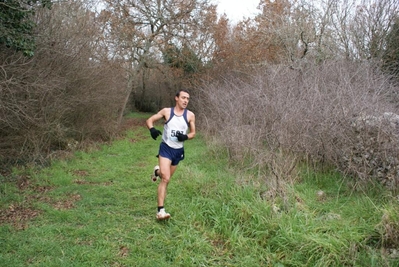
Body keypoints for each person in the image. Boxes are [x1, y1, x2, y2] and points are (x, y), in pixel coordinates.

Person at [146, 89, 196, 220]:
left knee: (165, 177)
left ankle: (156, 172)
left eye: (188, 99)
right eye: (183, 98)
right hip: (166, 148)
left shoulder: (190, 115)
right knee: (166, 179)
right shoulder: (166, 112)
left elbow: (193, 133)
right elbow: (150, 120)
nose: (186, 100)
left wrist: (185, 136)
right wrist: (151, 129)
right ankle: (160, 211)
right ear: (176, 98)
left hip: (178, 151)